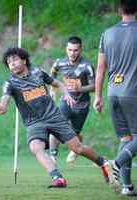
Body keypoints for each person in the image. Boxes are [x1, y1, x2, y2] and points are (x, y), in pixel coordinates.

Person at [0, 47, 109, 188]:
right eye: (9, 62)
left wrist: (66, 93)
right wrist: (1, 107)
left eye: (15, 60)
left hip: (54, 116)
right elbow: (4, 100)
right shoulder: (10, 83)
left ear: (23, 60)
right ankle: (57, 178)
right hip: (34, 122)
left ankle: (103, 163)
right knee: (36, 147)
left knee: (77, 148)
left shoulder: (38, 72)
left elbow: (57, 83)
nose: (13, 64)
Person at [93, 0, 137, 196]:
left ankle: (127, 186)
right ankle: (114, 164)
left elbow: (100, 68)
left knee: (126, 138)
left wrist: (98, 95)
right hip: (132, 93)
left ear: (119, 10)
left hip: (112, 93)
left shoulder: (106, 33)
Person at [49, 36, 96, 165]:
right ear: (66, 49)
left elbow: (95, 86)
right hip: (66, 102)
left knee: (73, 135)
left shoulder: (87, 66)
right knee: (56, 126)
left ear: (80, 50)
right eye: (69, 50)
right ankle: (52, 156)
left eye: (75, 50)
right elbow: (51, 74)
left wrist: (80, 88)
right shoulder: (60, 63)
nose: (72, 53)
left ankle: (76, 148)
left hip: (82, 106)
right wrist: (52, 90)